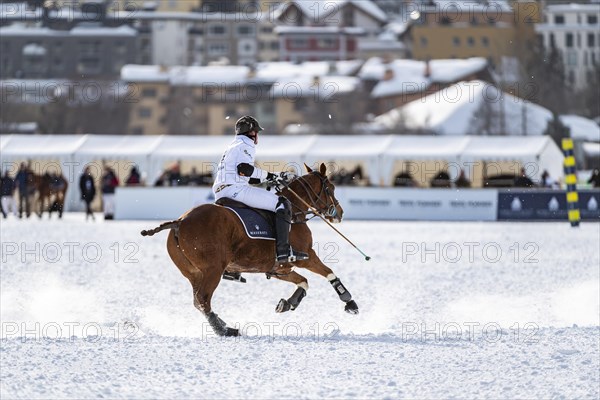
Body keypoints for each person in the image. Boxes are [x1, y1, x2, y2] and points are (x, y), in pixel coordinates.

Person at [213, 116, 308, 274]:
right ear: (251, 133)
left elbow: (246, 174)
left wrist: (272, 180)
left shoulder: (233, 144)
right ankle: (284, 251)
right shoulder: (246, 144)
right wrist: (273, 176)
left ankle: (232, 269)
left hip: (221, 191)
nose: (258, 136)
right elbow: (244, 169)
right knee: (282, 203)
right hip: (236, 190)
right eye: (257, 132)